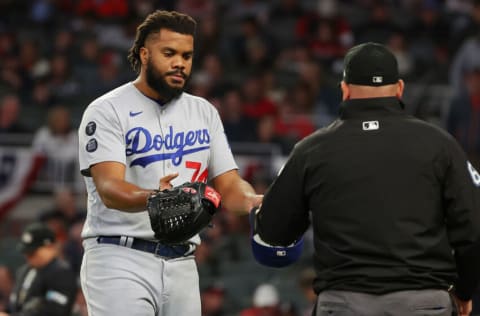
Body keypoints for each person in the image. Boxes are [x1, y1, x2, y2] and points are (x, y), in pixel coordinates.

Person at [249, 42, 480, 316]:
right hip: (423, 303)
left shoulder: (312, 150)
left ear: (344, 90)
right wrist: (464, 290)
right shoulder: (441, 145)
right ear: (399, 89)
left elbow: (273, 234)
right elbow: (473, 230)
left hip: (343, 303)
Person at [77, 10, 262, 316]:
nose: (180, 63)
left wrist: (253, 201)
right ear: (145, 54)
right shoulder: (107, 110)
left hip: (183, 263)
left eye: (187, 56)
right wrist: (157, 198)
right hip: (120, 257)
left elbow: (229, 185)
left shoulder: (204, 112)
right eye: (169, 53)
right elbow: (109, 189)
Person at [0, 223, 77, 316]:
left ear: (50, 247)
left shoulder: (61, 272)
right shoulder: (25, 270)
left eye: (33, 253)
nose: (28, 257)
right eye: (26, 253)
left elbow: (55, 310)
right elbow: (17, 305)